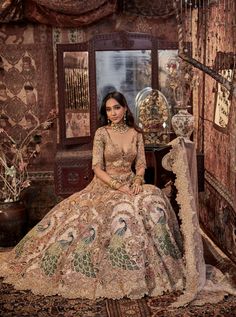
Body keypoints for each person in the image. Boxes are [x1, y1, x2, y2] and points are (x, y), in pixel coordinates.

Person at [0, 92, 235, 306]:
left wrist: (137, 181)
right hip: (104, 185)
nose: (112, 113)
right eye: (108, 109)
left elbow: (141, 163)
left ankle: (160, 271)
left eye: (116, 108)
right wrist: (118, 187)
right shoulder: (102, 134)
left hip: (131, 183)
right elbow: (96, 168)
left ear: (125, 109)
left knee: (153, 203)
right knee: (113, 214)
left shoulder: (136, 134)